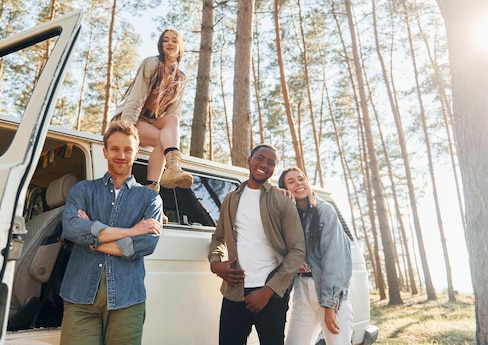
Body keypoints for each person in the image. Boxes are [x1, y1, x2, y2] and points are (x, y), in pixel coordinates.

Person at [59, 120, 163, 345]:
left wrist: (92, 240)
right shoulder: (83, 190)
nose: (121, 155)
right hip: (80, 297)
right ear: (105, 151)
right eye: (115, 148)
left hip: (128, 300)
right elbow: (71, 228)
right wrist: (130, 231)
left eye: (128, 149)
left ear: (136, 154)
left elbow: (145, 244)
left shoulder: (150, 198)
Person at [208, 144, 306, 345]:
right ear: (249, 160)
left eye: (271, 163)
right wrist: (215, 263)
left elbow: (298, 250)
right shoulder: (230, 199)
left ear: (274, 169)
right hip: (234, 292)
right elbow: (218, 238)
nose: (264, 165)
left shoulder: (282, 200)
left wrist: (268, 291)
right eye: (259, 158)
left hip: (271, 295)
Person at [110, 27, 192, 192]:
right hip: (131, 118)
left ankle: (169, 171)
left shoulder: (181, 78)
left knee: (173, 121)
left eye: (174, 40)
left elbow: (173, 113)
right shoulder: (152, 63)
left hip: (151, 122)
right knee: (163, 139)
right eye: (165, 40)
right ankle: (155, 187)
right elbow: (136, 99)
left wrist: (170, 138)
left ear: (180, 46)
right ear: (160, 44)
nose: (169, 43)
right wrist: (126, 131)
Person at [278, 167, 354, 345]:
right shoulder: (289, 216)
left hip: (328, 291)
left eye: (301, 178)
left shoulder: (324, 211)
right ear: (285, 189)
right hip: (302, 290)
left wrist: (329, 304)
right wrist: (276, 195)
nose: (298, 183)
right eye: (291, 181)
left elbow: (335, 259)